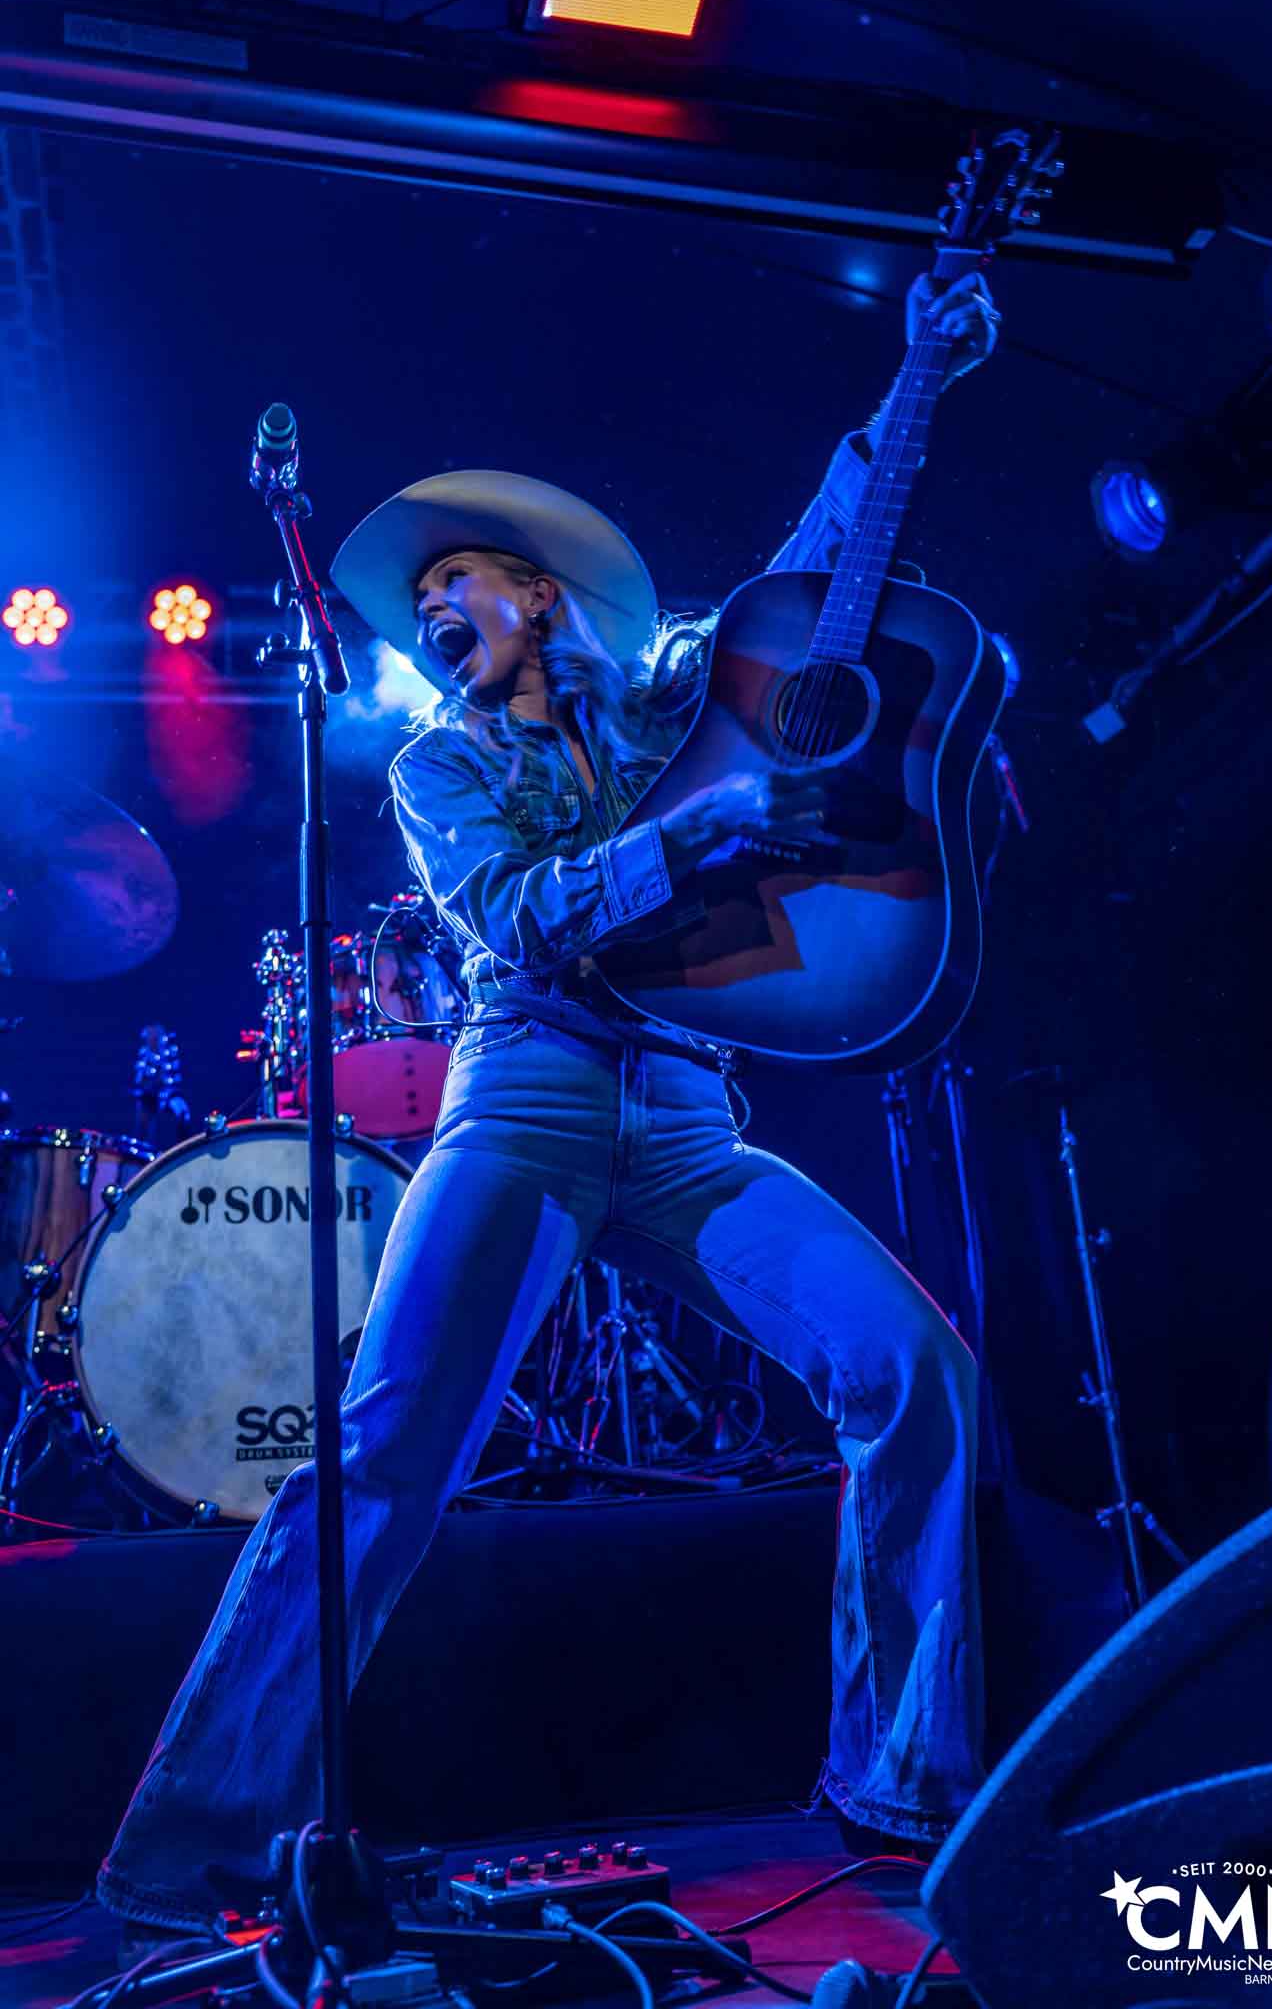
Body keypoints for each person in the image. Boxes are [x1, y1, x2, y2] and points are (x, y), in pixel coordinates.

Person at [96, 269, 1003, 1934]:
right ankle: (195, 1847)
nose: (426, 612)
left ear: (535, 590)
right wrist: (700, 836)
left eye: (451, 581)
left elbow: (814, 571)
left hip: (690, 1121)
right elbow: (519, 918)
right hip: (521, 1097)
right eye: (417, 603)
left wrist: (918, 378)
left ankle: (901, 1780)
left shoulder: (675, 701)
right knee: (384, 1454)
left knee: (914, 1366)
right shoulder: (439, 764)